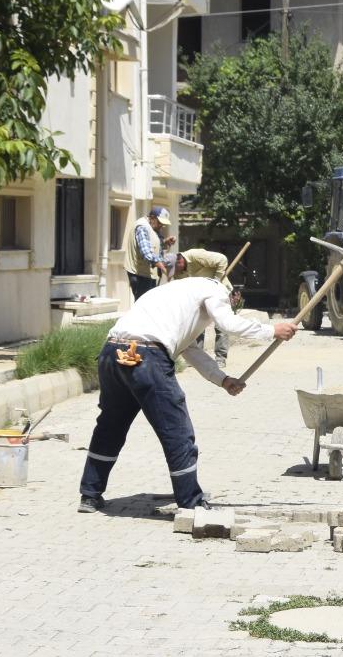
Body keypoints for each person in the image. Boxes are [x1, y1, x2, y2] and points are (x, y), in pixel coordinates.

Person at [79, 250, 297, 514]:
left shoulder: (171, 292)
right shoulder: (214, 290)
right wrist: (273, 330)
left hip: (112, 353)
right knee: (177, 432)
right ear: (229, 294)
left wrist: (223, 380)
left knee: (110, 427)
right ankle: (190, 501)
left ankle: (90, 495)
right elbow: (229, 324)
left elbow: (190, 350)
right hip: (147, 356)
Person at [176, 247, 235, 369]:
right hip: (200, 296)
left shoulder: (195, 255)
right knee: (196, 325)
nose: (176, 272)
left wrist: (216, 282)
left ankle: (220, 358)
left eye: (176, 268)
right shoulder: (179, 272)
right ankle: (197, 358)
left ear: (180, 260)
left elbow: (222, 259)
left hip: (219, 292)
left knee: (221, 325)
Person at [124, 206, 175, 302]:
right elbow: (146, 253)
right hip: (139, 275)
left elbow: (152, 246)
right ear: (152, 218)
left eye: (163, 224)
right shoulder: (142, 227)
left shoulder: (152, 228)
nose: (161, 226)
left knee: (149, 305)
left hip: (147, 274)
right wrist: (163, 268)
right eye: (160, 222)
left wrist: (164, 242)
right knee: (143, 305)